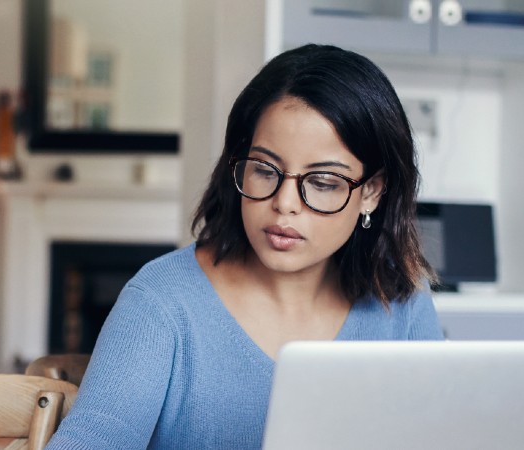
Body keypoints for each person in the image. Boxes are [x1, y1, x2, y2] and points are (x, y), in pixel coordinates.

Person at [45, 44, 443, 449]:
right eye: (264, 170)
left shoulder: (402, 302)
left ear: (371, 193)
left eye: (323, 182)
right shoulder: (160, 303)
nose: (284, 203)